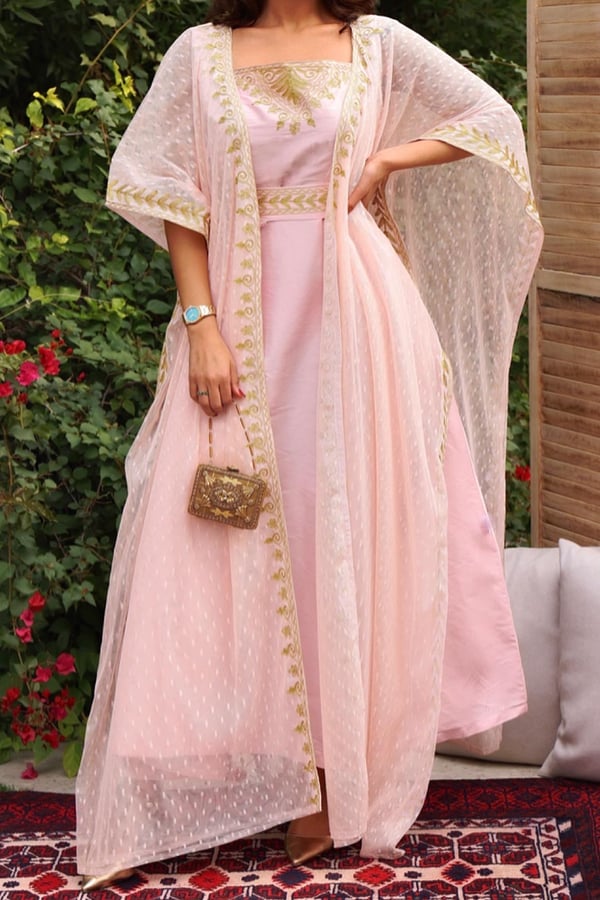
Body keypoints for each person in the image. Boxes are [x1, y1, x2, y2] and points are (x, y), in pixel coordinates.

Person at [76, 0, 543, 889]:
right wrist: (201, 324)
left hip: (361, 321)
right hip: (242, 321)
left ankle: (333, 777)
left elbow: (490, 118)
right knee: (232, 524)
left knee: (345, 531)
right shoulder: (200, 53)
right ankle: (251, 757)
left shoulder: (375, 43)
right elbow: (171, 189)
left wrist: (389, 159)